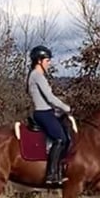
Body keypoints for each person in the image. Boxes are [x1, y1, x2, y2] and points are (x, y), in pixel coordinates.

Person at [27, 45, 72, 186]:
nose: (49, 63)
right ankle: (51, 175)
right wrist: (66, 108)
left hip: (47, 111)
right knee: (60, 139)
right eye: (47, 60)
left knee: (66, 136)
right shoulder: (37, 76)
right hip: (43, 113)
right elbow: (50, 97)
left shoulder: (36, 75)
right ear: (39, 61)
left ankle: (60, 170)